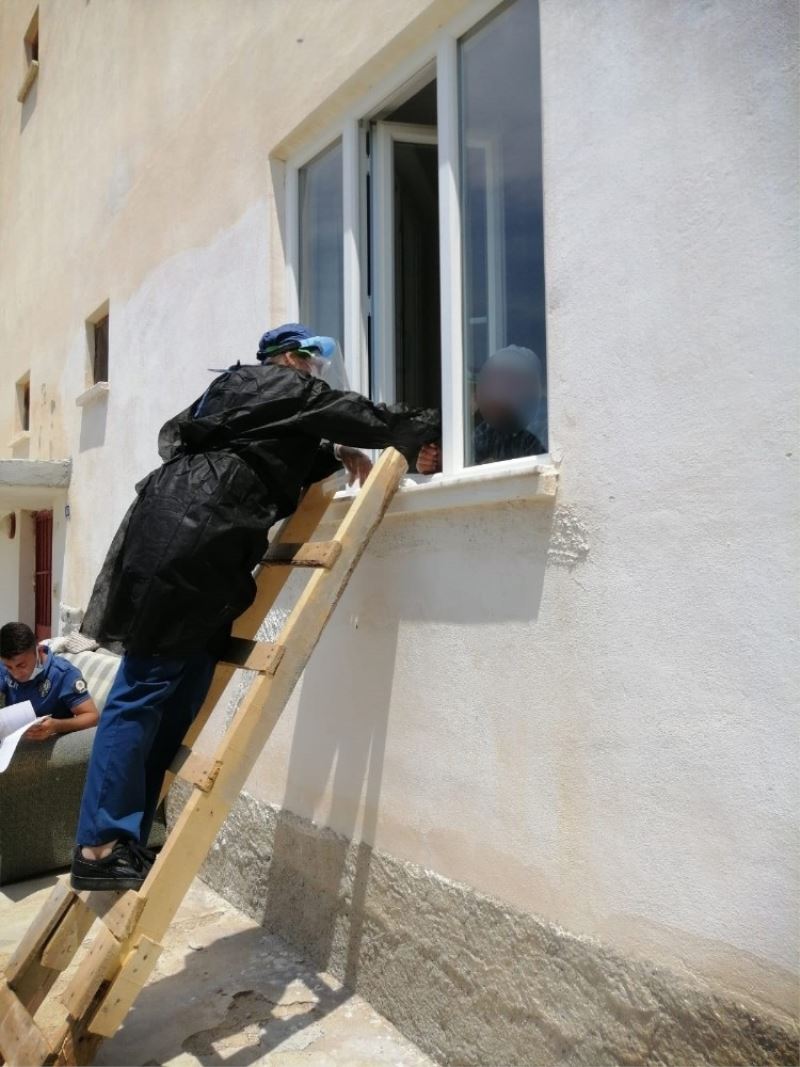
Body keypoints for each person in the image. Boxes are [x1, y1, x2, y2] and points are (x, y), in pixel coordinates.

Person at [71, 323, 440, 891]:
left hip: (200, 541)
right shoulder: (272, 382)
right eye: (312, 364)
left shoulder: (246, 397)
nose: (316, 375)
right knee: (144, 689)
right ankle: (99, 847)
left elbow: (279, 444)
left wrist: (336, 451)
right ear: (291, 358)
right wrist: (430, 430)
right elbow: (355, 414)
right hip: (189, 541)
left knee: (183, 690)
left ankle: (125, 840)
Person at [417, 345, 545, 473]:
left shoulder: (544, 429)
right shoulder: (487, 432)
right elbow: (466, 470)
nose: (495, 392)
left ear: (532, 388)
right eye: (491, 383)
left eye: (510, 383)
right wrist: (438, 465)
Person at [0, 622, 99, 740]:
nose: (15, 674)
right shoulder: (3, 665)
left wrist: (57, 726)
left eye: (21, 665)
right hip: (12, 738)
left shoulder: (64, 674)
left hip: (48, 740)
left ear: (39, 651)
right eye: (9, 667)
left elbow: (92, 717)